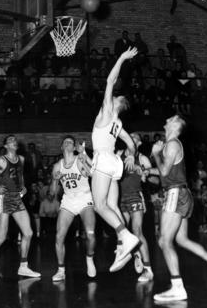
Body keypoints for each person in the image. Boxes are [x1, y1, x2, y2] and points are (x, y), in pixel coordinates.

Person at [151, 115, 207, 302]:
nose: (167, 119)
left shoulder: (172, 144)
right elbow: (166, 174)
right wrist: (146, 170)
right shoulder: (173, 145)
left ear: (176, 126)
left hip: (175, 194)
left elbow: (165, 171)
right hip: (181, 193)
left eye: (172, 119)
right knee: (181, 239)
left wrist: (156, 154)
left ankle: (177, 287)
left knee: (164, 241)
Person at [91, 47, 139, 273]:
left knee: (99, 206)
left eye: (116, 97)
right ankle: (124, 247)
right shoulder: (118, 125)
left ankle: (124, 235)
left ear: (118, 103)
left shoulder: (109, 111)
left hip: (102, 159)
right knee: (111, 205)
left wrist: (121, 57)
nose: (113, 96)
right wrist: (130, 155)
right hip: (114, 163)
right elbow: (131, 144)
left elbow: (110, 80)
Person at [0, 134, 41, 283]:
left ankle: (24, 266)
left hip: (17, 198)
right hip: (4, 198)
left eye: (14, 140)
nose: (14, 141)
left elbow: (20, 176)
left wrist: (23, 186)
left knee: (29, 233)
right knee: (1, 237)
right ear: (6, 146)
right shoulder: (0, 161)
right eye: (10, 140)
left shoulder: (22, 159)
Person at [50, 135, 96, 282]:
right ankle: (61, 270)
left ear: (74, 147)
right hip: (68, 200)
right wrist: (54, 179)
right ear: (62, 147)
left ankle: (89, 258)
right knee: (59, 236)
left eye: (71, 142)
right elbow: (52, 193)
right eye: (66, 142)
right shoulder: (58, 166)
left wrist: (86, 166)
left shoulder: (79, 159)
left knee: (90, 235)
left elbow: (92, 175)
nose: (69, 143)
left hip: (84, 198)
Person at [119, 132, 154, 282]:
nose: (130, 138)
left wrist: (145, 173)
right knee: (121, 232)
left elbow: (155, 180)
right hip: (119, 198)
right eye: (129, 136)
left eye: (134, 137)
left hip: (135, 196)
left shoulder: (142, 158)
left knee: (137, 231)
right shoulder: (119, 154)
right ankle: (136, 254)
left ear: (139, 143)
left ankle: (148, 270)